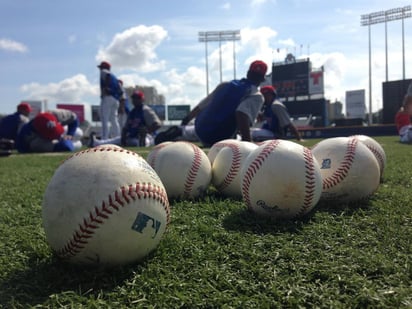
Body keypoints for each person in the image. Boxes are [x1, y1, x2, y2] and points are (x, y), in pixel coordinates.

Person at [154, 60, 268, 146]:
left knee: (194, 131)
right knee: (239, 138)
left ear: (248, 73)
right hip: (221, 137)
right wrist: (247, 142)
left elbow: (201, 106)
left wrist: (186, 120)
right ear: (262, 79)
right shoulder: (256, 95)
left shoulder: (226, 84)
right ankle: (182, 134)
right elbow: (241, 113)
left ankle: (181, 132)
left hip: (201, 128)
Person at [89, 90, 161, 147]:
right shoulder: (132, 112)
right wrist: (123, 136)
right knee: (117, 140)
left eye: (137, 98)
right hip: (133, 137)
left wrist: (147, 131)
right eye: (134, 98)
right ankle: (96, 143)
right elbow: (126, 128)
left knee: (141, 141)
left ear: (142, 99)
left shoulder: (146, 110)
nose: (135, 100)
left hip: (148, 137)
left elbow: (157, 124)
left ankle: (142, 143)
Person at [97, 61, 123, 140]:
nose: (100, 69)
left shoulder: (104, 72)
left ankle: (104, 139)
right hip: (116, 99)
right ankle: (117, 137)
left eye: (101, 67)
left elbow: (107, 75)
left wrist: (106, 88)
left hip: (108, 97)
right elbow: (121, 90)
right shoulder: (115, 77)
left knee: (104, 118)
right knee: (114, 120)